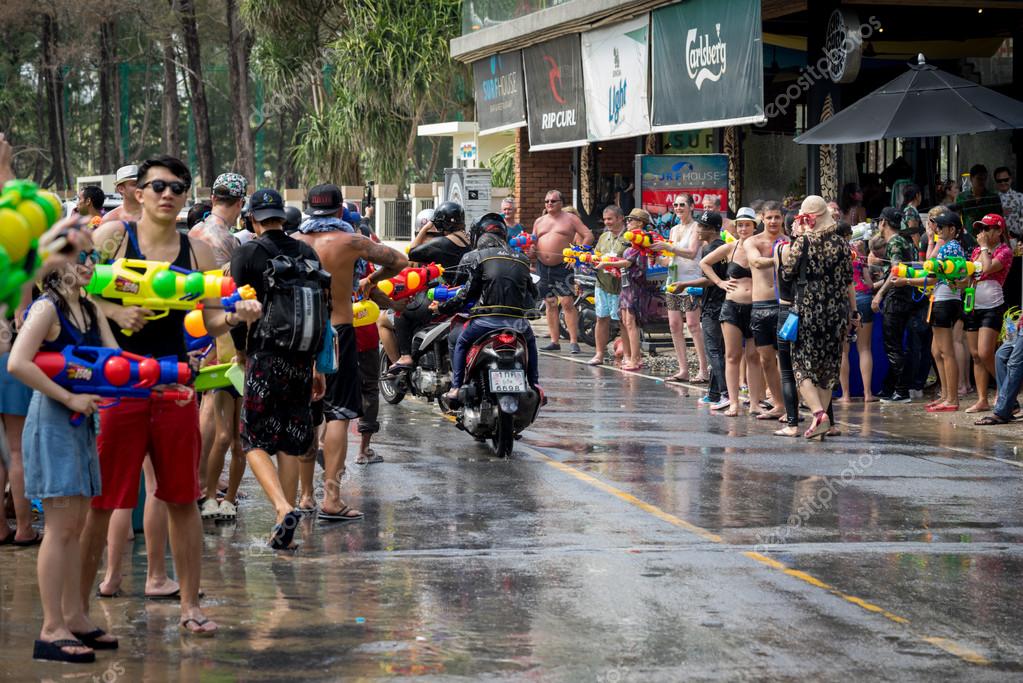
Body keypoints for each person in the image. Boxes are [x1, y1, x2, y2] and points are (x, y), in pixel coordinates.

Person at [83, 156, 263, 636]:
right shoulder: (112, 239)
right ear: (138, 192)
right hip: (117, 387)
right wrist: (114, 314)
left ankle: (189, 606)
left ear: (187, 196)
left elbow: (208, 320)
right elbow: (71, 291)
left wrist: (239, 315)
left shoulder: (198, 253)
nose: (168, 194)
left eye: (178, 187)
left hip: (175, 389)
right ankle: (79, 613)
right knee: (103, 501)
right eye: (158, 186)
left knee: (182, 499)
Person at [8, 230, 120, 662]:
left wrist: (172, 375)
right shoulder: (45, 307)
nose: (90, 263)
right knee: (59, 528)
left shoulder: (90, 308)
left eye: (93, 256)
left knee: (75, 525)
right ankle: (51, 627)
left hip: (80, 421)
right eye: (82, 255)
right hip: (55, 420)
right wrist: (71, 396)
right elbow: (19, 362)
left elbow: (117, 362)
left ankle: (74, 616)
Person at [293, 190, 407, 524]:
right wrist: (370, 279)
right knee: (338, 414)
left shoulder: (294, 240)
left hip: (301, 334)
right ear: (341, 209)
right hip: (338, 332)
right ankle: (331, 497)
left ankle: (303, 497)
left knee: (307, 413)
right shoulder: (352, 241)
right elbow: (400, 262)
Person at [228, 188, 329, 549]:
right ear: (282, 218)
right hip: (302, 359)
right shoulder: (306, 252)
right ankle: (282, 525)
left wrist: (241, 352)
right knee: (289, 439)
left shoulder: (247, 253)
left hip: (266, 357)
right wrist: (318, 363)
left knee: (253, 438)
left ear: (252, 218)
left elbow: (240, 311)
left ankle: (282, 507)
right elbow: (323, 309)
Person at [436, 213, 539, 401]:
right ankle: (535, 384)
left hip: (486, 321)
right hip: (518, 324)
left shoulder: (479, 257)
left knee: (459, 342)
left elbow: (466, 292)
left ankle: (457, 386)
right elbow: (533, 292)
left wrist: (442, 308)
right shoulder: (522, 259)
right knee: (531, 344)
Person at [782, 196, 857, 439]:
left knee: (801, 364)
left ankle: (817, 414)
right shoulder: (843, 244)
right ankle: (821, 427)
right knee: (828, 368)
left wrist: (796, 237)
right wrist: (854, 312)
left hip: (808, 309)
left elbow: (787, 272)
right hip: (837, 313)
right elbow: (849, 283)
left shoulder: (803, 242)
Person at [387, 201, 470, 374]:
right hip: (465, 295)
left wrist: (425, 230)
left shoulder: (442, 243)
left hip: (443, 296)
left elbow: (412, 253)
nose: (431, 235)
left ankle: (405, 356)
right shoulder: (469, 240)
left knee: (401, 311)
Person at [700, 209, 765, 417]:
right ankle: (734, 402)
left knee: (754, 356)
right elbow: (704, 263)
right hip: (731, 306)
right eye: (740, 225)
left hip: (755, 307)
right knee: (732, 355)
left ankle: (755, 402)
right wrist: (720, 282)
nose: (743, 229)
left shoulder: (761, 248)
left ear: (754, 227)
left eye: (747, 225)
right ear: (736, 228)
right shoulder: (730, 248)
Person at [900, 209, 965, 412]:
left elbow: (934, 275)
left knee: (946, 352)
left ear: (953, 229)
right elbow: (931, 270)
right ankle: (946, 395)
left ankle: (952, 399)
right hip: (940, 298)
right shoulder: (947, 246)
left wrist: (907, 280)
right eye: (936, 226)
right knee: (936, 351)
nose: (937, 229)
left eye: (941, 226)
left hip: (945, 300)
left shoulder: (952, 247)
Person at [670, 213, 728, 408]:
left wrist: (685, 284)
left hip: (715, 305)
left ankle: (724, 393)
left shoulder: (711, 248)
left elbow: (711, 279)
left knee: (714, 351)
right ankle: (713, 394)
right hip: (715, 301)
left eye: (702, 226)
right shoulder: (717, 246)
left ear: (712, 229)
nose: (698, 229)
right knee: (717, 349)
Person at [653, 194, 708, 383]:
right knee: (674, 325)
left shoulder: (697, 228)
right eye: (675, 204)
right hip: (673, 280)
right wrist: (656, 256)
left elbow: (692, 253)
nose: (678, 208)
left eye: (682, 204)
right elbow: (670, 259)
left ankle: (703, 369)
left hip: (692, 281)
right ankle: (683, 369)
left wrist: (670, 248)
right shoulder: (674, 229)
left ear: (691, 207)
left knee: (693, 325)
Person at [533, 190, 594, 354]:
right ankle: (555, 341)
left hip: (563, 265)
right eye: (546, 201)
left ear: (561, 202)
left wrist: (577, 255)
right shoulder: (539, 221)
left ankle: (574, 341)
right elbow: (533, 241)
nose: (549, 204)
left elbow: (588, 235)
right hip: (542, 266)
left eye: (553, 201)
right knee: (549, 302)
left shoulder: (570, 219)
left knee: (567, 302)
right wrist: (530, 250)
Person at [964, 214, 1012, 414]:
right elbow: (970, 275)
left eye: (987, 228)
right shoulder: (976, 250)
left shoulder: (1004, 251)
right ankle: (983, 399)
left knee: (985, 353)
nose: (982, 233)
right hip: (973, 304)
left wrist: (984, 248)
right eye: (980, 228)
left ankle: (1008, 390)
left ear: (999, 231)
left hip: (992, 305)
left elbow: (988, 267)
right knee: (975, 356)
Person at [743, 202, 786, 419]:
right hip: (760, 306)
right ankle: (778, 404)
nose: (773, 222)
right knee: (766, 359)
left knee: (787, 359)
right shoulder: (753, 241)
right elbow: (756, 262)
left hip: (783, 305)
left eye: (777, 217)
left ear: (782, 219)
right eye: (769, 217)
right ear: (762, 218)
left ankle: (790, 404)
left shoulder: (789, 242)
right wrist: (779, 258)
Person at [601, 209, 657, 372]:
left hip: (636, 287)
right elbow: (626, 264)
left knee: (632, 323)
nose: (628, 223)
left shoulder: (642, 240)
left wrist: (609, 263)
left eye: (631, 220)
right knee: (625, 322)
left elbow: (628, 262)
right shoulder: (632, 241)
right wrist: (614, 266)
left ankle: (635, 358)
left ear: (640, 223)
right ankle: (629, 355)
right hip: (626, 285)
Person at [872, 207, 917, 403]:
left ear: (883, 222)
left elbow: (896, 271)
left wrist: (879, 294)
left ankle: (901, 390)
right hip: (902, 297)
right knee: (893, 344)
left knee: (893, 345)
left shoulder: (895, 242)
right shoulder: (901, 241)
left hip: (897, 298)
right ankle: (890, 387)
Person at [587, 205, 629, 366]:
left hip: (621, 286)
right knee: (601, 318)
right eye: (605, 219)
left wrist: (614, 266)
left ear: (620, 218)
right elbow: (596, 256)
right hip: (602, 283)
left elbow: (632, 261)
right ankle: (599, 353)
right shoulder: (604, 237)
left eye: (610, 219)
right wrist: (590, 260)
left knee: (623, 321)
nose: (607, 222)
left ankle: (628, 355)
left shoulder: (628, 237)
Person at [850, 229, 877, 402]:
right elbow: (869, 283)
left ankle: (845, 395)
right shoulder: (859, 256)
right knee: (864, 348)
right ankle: (867, 393)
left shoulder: (834, 251)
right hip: (864, 298)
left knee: (843, 351)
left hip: (844, 301)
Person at [957, 164, 1004, 230]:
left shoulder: (993, 198)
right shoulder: (962, 197)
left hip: (989, 236)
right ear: (971, 178)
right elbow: (957, 218)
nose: (982, 182)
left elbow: (1000, 220)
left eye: (984, 179)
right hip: (968, 237)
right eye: (979, 179)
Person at [993, 167, 1023, 241]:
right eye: (999, 181)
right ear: (996, 182)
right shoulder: (992, 199)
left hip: (1017, 240)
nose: (1003, 183)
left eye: (1006, 180)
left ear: (1010, 179)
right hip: (998, 241)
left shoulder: (1020, 197)